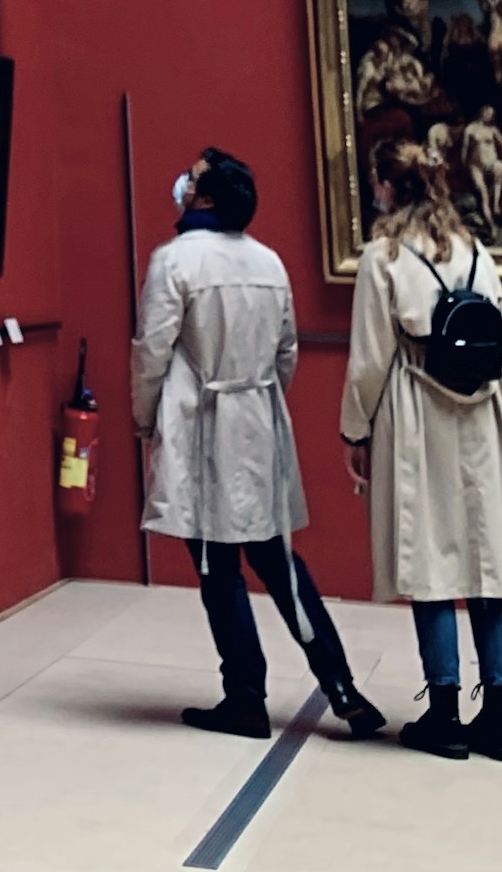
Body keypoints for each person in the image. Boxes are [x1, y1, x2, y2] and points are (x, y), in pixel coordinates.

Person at [133, 147, 383, 742]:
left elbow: (151, 353)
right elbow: (287, 352)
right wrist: (258, 400)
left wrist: (147, 420)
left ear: (209, 198)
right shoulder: (269, 262)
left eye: (192, 181)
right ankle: (342, 686)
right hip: (258, 424)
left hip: (201, 425)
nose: (182, 186)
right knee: (279, 562)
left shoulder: (174, 262)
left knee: (218, 568)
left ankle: (245, 696)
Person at [342, 134, 502, 763]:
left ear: (386, 188)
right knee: (489, 566)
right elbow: (501, 354)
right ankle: (501, 720)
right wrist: (488, 409)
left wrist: (356, 431)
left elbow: (371, 362)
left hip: (415, 412)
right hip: (480, 415)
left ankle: (447, 716)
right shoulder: (479, 253)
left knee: (430, 563)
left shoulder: (384, 256)